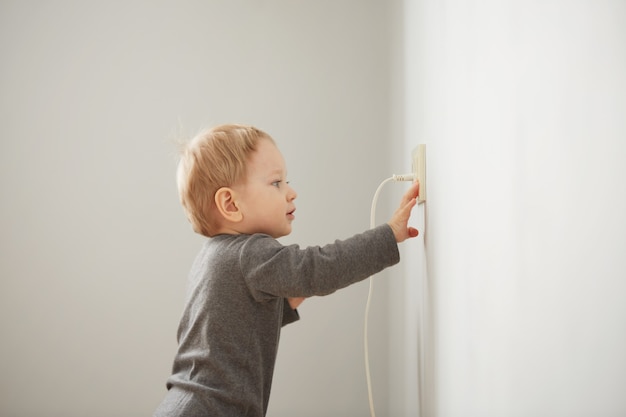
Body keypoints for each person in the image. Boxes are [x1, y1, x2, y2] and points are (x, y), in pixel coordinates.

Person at [153, 124, 419, 417]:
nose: (291, 192)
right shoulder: (249, 253)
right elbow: (318, 268)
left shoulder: (211, 258)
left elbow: (238, 325)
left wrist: (293, 295)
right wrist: (388, 234)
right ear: (230, 204)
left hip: (185, 403)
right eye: (276, 182)